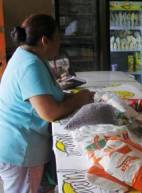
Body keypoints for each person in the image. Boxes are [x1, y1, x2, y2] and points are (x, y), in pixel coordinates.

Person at [0, 14, 94, 193]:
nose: (60, 43)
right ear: (45, 41)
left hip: (15, 144)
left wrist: (68, 96)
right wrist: (78, 99)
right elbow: (49, 112)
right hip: (20, 149)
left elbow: (46, 94)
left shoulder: (28, 56)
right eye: (57, 38)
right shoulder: (29, 65)